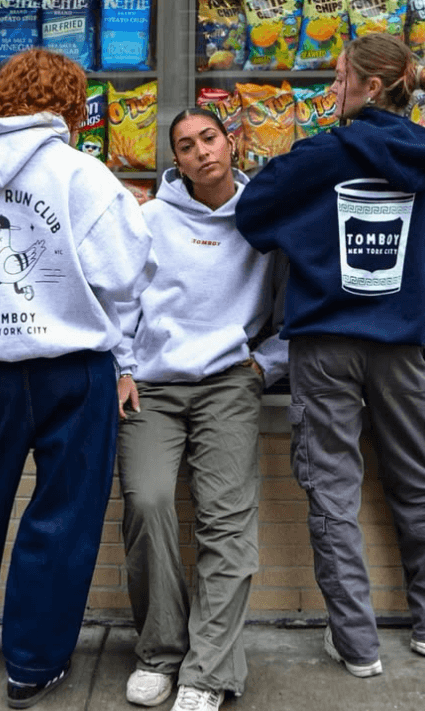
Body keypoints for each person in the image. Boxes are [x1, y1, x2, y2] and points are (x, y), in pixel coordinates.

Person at [235, 33, 425, 678]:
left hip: (323, 348)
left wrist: (311, 235)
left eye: (340, 75)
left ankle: (356, 645)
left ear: (372, 86)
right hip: (401, 347)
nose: (332, 86)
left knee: (332, 492)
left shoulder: (318, 157)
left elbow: (253, 216)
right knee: (421, 482)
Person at [0, 48, 155, 709]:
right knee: (63, 515)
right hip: (71, 369)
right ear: (70, 103)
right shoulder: (80, 174)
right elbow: (125, 270)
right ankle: (32, 662)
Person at [115, 108, 288, 711]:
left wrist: (269, 362)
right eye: (186, 146)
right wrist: (122, 366)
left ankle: (208, 672)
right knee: (147, 500)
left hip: (229, 384)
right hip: (153, 386)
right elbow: (119, 300)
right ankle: (160, 653)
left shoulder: (263, 218)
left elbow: (306, 297)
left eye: (209, 138)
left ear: (231, 142)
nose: (201, 152)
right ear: (177, 161)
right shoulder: (149, 219)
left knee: (226, 521)